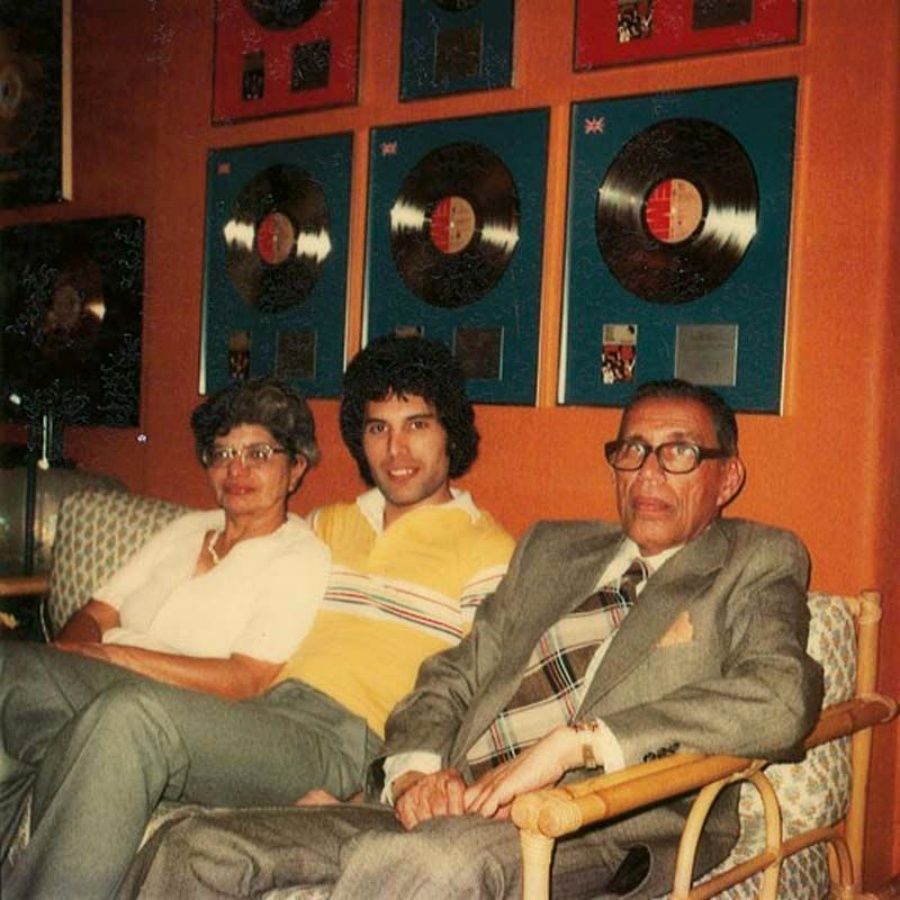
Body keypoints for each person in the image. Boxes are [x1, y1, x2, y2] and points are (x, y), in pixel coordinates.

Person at [124, 378, 824, 899]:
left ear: (726, 476)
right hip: (450, 802)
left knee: (423, 865)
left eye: (678, 453)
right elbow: (452, 674)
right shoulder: (555, 548)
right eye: (633, 449)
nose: (647, 472)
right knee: (195, 846)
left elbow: (781, 697)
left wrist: (579, 744)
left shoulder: (754, 560)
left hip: (592, 820)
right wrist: (415, 771)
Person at [1, 334, 515, 899]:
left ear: (451, 434)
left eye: (417, 425)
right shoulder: (326, 525)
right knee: (16, 671)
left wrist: (375, 792)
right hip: (267, 719)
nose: (396, 450)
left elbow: (484, 694)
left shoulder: (488, 551)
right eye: (377, 428)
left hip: (347, 741)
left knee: (131, 716)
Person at [0, 377, 330, 884]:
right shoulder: (185, 529)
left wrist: (110, 659)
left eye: (259, 453)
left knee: (8, 669)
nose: (235, 469)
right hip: (93, 679)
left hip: (174, 707)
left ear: (296, 469)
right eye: (220, 454)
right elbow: (97, 611)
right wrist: (68, 654)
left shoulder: (300, 555)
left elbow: (245, 678)